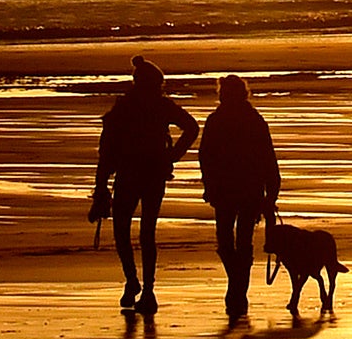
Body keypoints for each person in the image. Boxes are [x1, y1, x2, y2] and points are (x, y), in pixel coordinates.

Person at [92, 55, 199, 315]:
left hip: (130, 175)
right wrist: (172, 156)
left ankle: (133, 282)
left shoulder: (124, 107)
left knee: (123, 232)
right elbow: (192, 128)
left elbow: (106, 151)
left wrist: (101, 184)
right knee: (146, 234)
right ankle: (146, 289)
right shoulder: (160, 106)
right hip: (152, 175)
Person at [197, 74, 280, 317]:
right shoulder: (248, 119)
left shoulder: (225, 119)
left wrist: (271, 192)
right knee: (235, 242)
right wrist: (271, 192)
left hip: (234, 190)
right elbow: (268, 157)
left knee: (230, 241)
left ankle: (237, 288)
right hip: (241, 189)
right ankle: (237, 285)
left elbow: (206, 157)